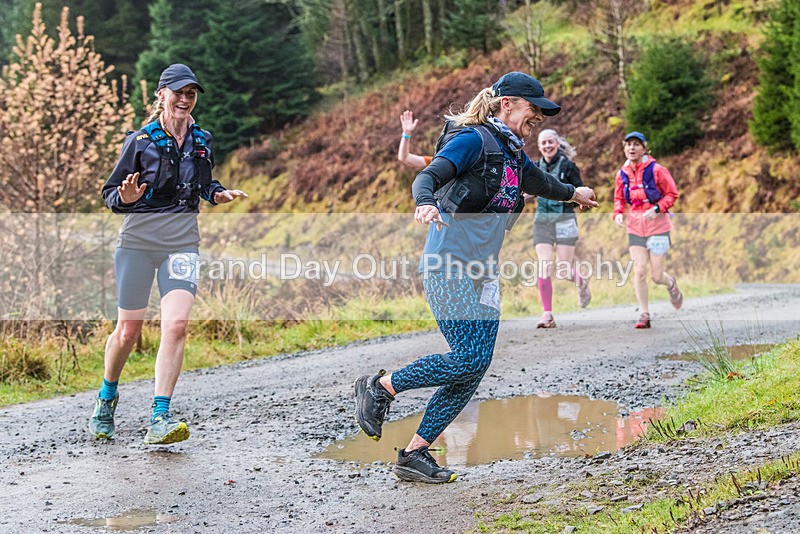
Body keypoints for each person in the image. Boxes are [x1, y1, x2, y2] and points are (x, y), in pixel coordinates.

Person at [354, 72, 598, 483]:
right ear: (507, 104)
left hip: (483, 272)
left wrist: (575, 194)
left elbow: (540, 182)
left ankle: (415, 454)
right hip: (447, 262)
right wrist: (426, 204)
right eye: (532, 107)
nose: (537, 115)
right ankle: (381, 387)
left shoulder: (513, 153)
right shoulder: (473, 139)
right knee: (466, 357)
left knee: (475, 364)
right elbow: (427, 176)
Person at [89, 64, 247, 444]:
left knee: (175, 326)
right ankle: (106, 398)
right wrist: (125, 198)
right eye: (178, 92)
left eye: (191, 93)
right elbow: (111, 195)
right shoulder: (140, 141)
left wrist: (217, 194)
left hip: (182, 243)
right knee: (128, 331)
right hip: (138, 245)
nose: (185, 99)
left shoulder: (202, 140)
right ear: (161, 95)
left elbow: (204, 183)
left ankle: (160, 417)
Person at [613, 131, 682, 329]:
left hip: (658, 226)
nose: (632, 148)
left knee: (656, 276)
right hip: (635, 227)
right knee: (640, 271)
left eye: (636, 144)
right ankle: (644, 314)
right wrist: (618, 213)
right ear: (624, 148)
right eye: (628, 145)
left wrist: (657, 208)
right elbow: (618, 198)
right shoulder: (622, 173)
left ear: (644, 148)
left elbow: (672, 194)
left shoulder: (657, 170)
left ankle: (671, 284)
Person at [524, 129, 591, 328]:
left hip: (564, 221)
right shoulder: (535, 168)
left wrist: (584, 200)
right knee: (544, 265)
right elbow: (530, 191)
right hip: (542, 222)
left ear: (557, 144)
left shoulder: (569, 167)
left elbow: (580, 191)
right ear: (539, 146)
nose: (547, 146)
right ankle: (547, 314)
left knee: (562, 269)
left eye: (550, 142)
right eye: (543, 143)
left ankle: (581, 281)